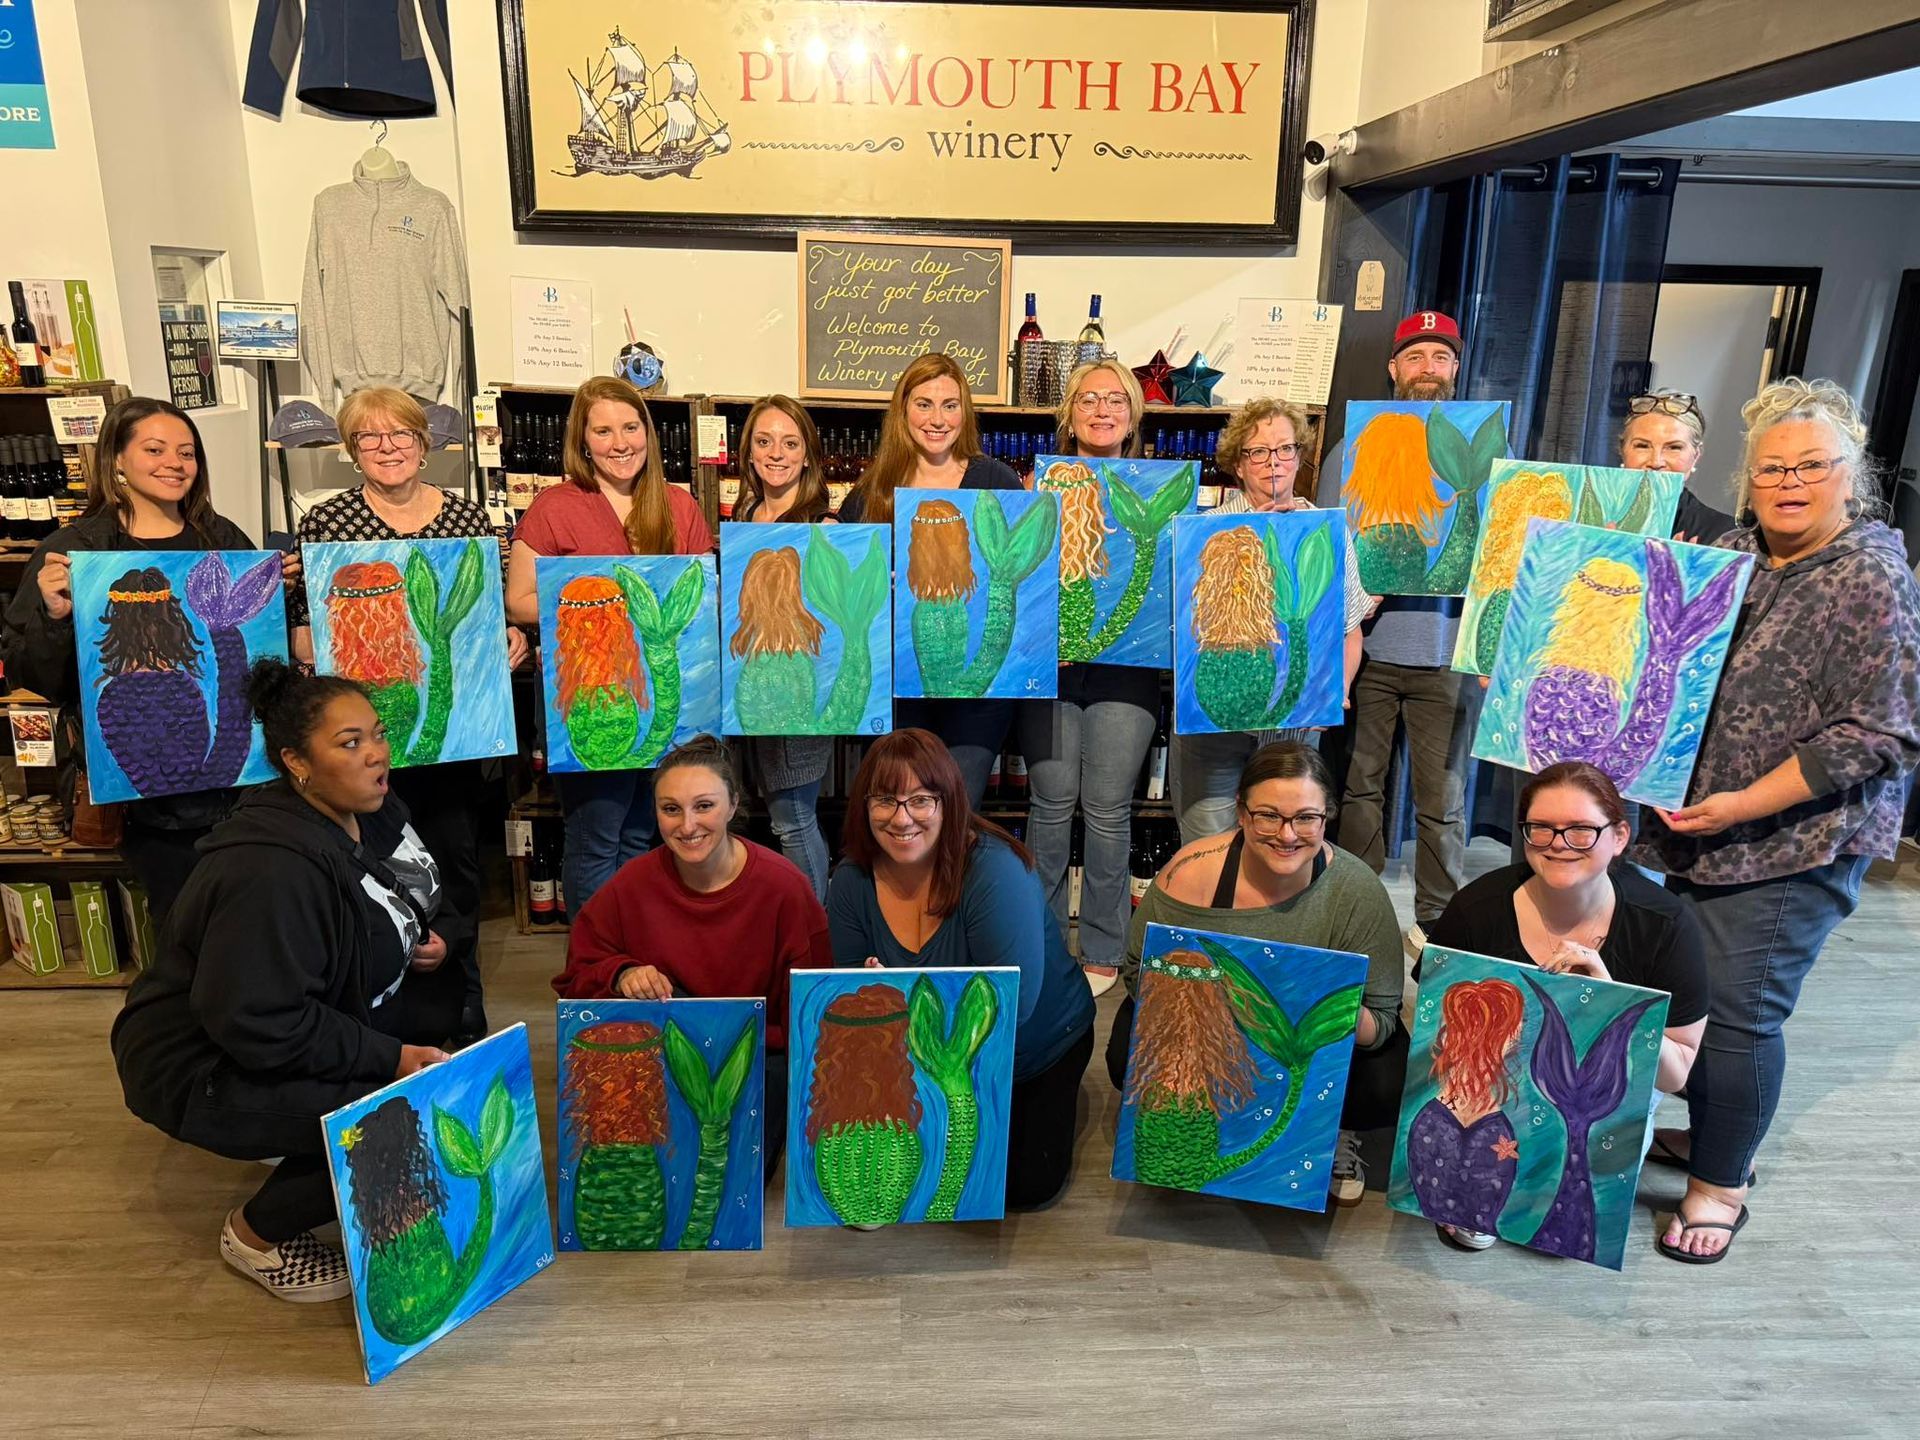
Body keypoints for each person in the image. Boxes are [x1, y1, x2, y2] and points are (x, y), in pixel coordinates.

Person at [1636, 378, 1920, 1263]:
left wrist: (1743, 802)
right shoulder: (1737, 552)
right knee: (1697, 1001)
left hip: (1792, 840)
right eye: (1772, 469)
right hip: (1700, 827)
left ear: (1851, 477)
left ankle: (1723, 1185)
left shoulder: (1870, 576)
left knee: (1740, 1014)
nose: (1790, 482)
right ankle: (1714, 1134)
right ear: (1748, 479)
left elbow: (1881, 731)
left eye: (1811, 466)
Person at [109, 660, 457, 1302]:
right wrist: (388, 1059)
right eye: (350, 744)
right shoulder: (270, 872)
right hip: (202, 1063)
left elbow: (409, 895)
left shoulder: (367, 807)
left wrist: (425, 942)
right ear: (296, 762)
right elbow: (259, 1019)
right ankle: (255, 1237)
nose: (377, 755)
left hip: (282, 1027)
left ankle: (304, 1136)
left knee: (439, 1078)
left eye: (377, 734)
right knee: (397, 1120)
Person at [1, 397, 299, 917]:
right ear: (116, 458)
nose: (175, 463)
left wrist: (275, 599)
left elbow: (258, 662)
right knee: (184, 925)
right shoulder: (75, 549)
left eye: (187, 452)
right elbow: (35, 677)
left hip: (241, 792)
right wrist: (52, 616)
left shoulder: (220, 537)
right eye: (155, 449)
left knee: (252, 919)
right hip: (148, 809)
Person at [291, 385, 526, 1043]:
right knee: (370, 873)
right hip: (360, 740)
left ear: (425, 444)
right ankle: (383, 1012)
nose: (386, 448)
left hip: (451, 739)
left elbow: (489, 614)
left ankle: (464, 1003)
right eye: (369, 437)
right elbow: (303, 628)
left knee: (454, 868)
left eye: (400, 435)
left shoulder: (467, 520)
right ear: (351, 449)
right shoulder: (326, 524)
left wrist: (510, 638)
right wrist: (309, 641)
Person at [1423, 761, 1709, 1251]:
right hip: (1493, 1078)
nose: (1558, 842)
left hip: (1609, 1085)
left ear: (1619, 836)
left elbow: (1675, 1073)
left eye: (1581, 830)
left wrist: (1608, 999)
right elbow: (1434, 1027)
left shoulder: (1665, 925)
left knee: (1578, 1186)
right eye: (1541, 828)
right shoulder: (1477, 908)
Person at [1114, 741, 1406, 1206]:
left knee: (1385, 1078)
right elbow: (1136, 968)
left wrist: (1327, 1013)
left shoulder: (1356, 891)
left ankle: (1333, 1132)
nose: (1287, 835)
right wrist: (1201, 1014)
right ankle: (1191, 1137)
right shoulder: (1189, 875)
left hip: (1299, 1044)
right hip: (1206, 1028)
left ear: (1326, 817)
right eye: (1269, 815)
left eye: (1306, 818)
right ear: (1242, 813)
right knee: (1122, 1047)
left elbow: (1385, 1016)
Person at [826, 728, 1096, 1210]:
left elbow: (1015, 1009)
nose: (902, 817)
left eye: (921, 800)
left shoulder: (993, 871)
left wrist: (894, 995)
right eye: (885, 799)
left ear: (949, 802)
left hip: (1035, 1047)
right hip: (923, 1049)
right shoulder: (850, 881)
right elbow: (850, 989)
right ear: (864, 806)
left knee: (1022, 1190)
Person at [553, 734, 830, 1180]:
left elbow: (811, 1011)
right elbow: (575, 980)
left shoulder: (785, 889)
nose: (687, 826)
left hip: (757, 1059)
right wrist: (622, 973)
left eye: (704, 806)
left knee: (735, 1187)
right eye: (671, 809)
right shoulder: (632, 885)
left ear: (733, 804)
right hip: (664, 1054)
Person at [505, 376, 715, 914]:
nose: (620, 442)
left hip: (664, 701)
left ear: (648, 432)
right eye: (603, 430)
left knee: (646, 834)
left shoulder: (677, 505)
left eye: (630, 427)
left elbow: (701, 596)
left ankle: (639, 952)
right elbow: (519, 600)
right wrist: (600, 606)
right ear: (583, 440)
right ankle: (599, 963)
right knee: (596, 836)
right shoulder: (556, 507)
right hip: (591, 695)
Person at [1320, 310, 1477, 954]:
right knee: (1360, 786)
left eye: (1439, 357)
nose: (1427, 370)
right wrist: (1361, 585)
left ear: (1455, 368)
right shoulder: (1351, 449)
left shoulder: (1479, 455)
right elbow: (1328, 542)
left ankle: (1441, 925)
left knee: (1442, 798)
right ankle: (1358, 911)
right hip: (1372, 649)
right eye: (1415, 357)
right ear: (1394, 368)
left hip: (1448, 653)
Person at [1016, 361, 1160, 994]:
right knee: (1048, 806)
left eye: (1116, 400)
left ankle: (1103, 944)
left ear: (1132, 414)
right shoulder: (1035, 483)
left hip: (1126, 674)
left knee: (1106, 810)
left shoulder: (1150, 488)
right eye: (1090, 400)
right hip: (1050, 673)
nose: (1102, 411)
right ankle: (1045, 939)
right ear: (1069, 412)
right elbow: (1016, 577)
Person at [1169, 396, 1370, 845]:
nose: (1272, 462)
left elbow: (1349, 630)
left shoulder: (1325, 530)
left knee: (1284, 846)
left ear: (1300, 457)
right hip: (1215, 730)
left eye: (1284, 449)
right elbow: (1178, 626)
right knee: (1209, 845)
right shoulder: (1202, 530)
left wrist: (1335, 691)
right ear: (1238, 465)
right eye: (1257, 451)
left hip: (1294, 730)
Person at [838, 354, 1023, 807]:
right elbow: (851, 588)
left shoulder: (996, 480)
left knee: (960, 809)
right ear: (902, 412)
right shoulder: (873, 490)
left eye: (950, 405)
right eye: (924, 404)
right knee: (894, 809)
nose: (937, 419)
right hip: (895, 685)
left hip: (979, 700)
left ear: (966, 412)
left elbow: (1017, 571)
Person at [728, 394, 835, 901]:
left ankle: (817, 933)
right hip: (749, 695)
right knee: (765, 818)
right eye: (765, 441)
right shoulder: (744, 518)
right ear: (748, 452)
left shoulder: (824, 527)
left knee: (793, 818)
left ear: (808, 455)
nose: (776, 453)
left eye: (790, 443)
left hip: (796, 698)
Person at [1619, 390, 1735, 543]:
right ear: (1623, 451)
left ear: (1695, 456)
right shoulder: (1581, 515)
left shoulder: (1725, 536)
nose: (1656, 462)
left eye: (1674, 447)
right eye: (1642, 446)